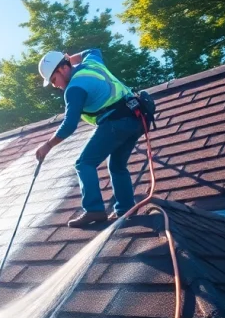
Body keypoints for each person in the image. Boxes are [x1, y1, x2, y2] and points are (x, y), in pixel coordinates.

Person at [34, 49, 145, 227]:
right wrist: (70, 58)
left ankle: (94, 210)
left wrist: (48, 145)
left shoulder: (74, 88)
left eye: (54, 79)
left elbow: (70, 125)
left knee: (84, 163)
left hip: (116, 122)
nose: (55, 85)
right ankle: (125, 209)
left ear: (62, 69)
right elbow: (94, 50)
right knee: (117, 166)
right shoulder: (92, 64)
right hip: (136, 119)